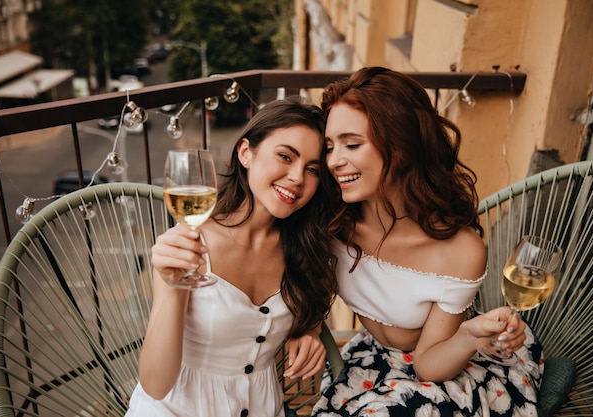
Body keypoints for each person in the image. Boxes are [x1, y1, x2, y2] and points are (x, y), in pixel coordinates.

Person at [312, 67, 543, 416]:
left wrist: (468, 335)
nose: (334, 161)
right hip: (372, 357)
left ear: (402, 147)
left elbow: (428, 365)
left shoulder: (459, 251)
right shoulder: (333, 218)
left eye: (352, 144)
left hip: (447, 365)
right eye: (330, 147)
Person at [125, 96, 339, 417]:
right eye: (284, 156)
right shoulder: (190, 245)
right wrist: (172, 285)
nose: (297, 177)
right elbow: (156, 385)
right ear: (245, 153)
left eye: (312, 169)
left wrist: (307, 331)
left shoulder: (307, 247)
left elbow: (306, 306)